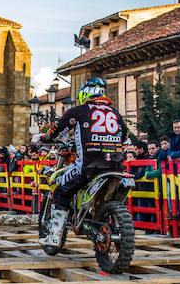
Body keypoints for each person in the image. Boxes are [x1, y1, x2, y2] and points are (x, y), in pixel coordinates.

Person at [38, 77, 129, 247]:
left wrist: (45, 138)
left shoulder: (79, 111)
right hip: (115, 165)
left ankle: (54, 237)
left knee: (60, 189)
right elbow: (125, 135)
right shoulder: (114, 113)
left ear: (84, 93)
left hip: (89, 165)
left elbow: (56, 130)